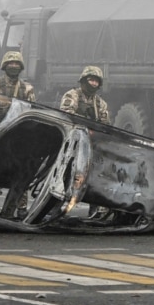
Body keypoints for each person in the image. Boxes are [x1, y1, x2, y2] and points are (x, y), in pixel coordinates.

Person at [0, 52, 37, 215]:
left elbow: (33, 111)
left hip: (19, 136)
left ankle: (21, 208)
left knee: (22, 172)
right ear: (4, 66)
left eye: (17, 64)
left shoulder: (27, 88)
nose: (14, 66)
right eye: (11, 63)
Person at [60, 66, 112, 218]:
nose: (93, 83)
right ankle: (57, 207)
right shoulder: (72, 95)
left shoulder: (100, 103)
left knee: (93, 177)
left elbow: (105, 124)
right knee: (66, 176)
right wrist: (85, 123)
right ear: (83, 80)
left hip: (90, 146)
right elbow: (66, 115)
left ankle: (93, 209)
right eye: (91, 80)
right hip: (72, 144)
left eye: (96, 81)